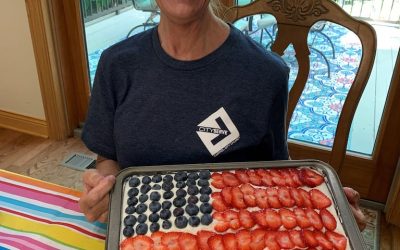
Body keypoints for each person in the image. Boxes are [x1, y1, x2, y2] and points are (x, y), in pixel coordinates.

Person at [78, 0, 366, 231]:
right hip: (140, 231)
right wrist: (103, 189)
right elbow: (108, 159)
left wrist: (328, 205)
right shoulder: (116, 65)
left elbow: (278, 173)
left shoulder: (266, 74)